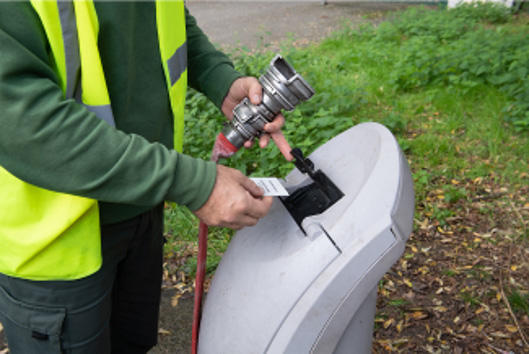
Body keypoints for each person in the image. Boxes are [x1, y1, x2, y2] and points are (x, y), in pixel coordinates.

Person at [0, 1, 291, 353]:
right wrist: (192, 182)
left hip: (142, 209)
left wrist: (219, 79)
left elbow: (167, 18)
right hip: (56, 247)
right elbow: (26, 125)